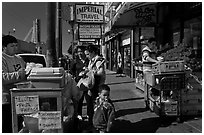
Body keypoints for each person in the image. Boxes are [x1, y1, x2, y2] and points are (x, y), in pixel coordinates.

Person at [2, 35, 31, 132]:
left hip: (20, 99)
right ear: (4, 47)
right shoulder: (2, 59)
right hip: (6, 99)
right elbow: (3, 78)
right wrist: (19, 74)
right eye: (12, 46)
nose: (15, 48)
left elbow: (26, 71)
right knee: (8, 126)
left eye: (16, 45)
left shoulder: (19, 58)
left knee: (19, 126)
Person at [84, 44, 106, 125]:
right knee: (91, 103)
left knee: (95, 104)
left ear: (92, 52)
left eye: (88, 54)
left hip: (97, 86)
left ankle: (96, 122)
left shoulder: (98, 60)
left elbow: (101, 72)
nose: (86, 56)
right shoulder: (91, 60)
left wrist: (93, 72)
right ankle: (93, 120)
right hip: (92, 85)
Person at [70, 46, 90, 121]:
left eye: (81, 51)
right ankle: (79, 114)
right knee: (79, 99)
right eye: (78, 52)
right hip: (79, 83)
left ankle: (89, 114)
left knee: (89, 99)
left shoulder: (89, 60)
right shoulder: (75, 61)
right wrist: (75, 76)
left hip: (88, 82)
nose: (80, 53)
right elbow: (71, 71)